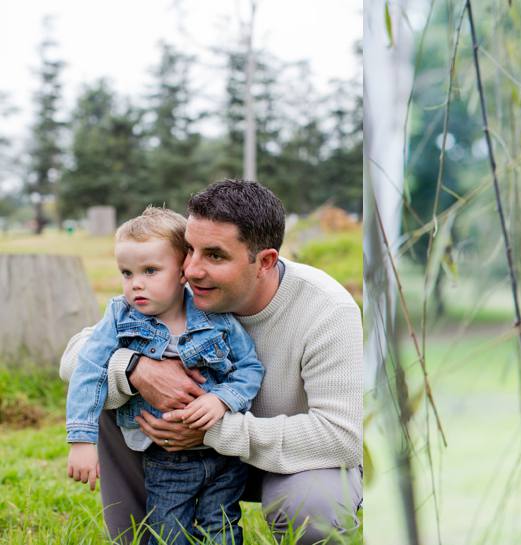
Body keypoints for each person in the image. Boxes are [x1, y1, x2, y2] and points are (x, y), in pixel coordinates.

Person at [61, 180, 363, 545]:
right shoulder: (174, 294)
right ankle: (138, 536)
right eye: (189, 250)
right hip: (175, 458)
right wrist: (135, 370)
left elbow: (343, 437)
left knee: (315, 505)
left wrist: (214, 430)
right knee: (107, 386)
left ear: (264, 261)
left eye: (215, 255)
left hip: (284, 461)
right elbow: (76, 358)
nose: (191, 269)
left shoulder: (326, 310)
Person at [65, 206, 263, 545]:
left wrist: (221, 399)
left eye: (150, 271)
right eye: (126, 273)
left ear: (183, 270)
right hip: (166, 457)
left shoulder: (215, 316)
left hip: (222, 454)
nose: (136, 283)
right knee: (169, 533)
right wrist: (82, 440)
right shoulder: (120, 316)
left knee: (221, 529)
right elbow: (87, 368)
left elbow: (249, 368)